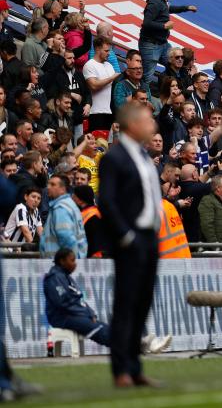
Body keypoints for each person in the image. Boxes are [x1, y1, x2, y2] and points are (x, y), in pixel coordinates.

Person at [97, 103, 165, 388]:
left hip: (150, 236)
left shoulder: (144, 156)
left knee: (143, 302)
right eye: (148, 120)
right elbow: (107, 201)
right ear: (133, 124)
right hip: (131, 237)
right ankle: (120, 369)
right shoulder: (114, 157)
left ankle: (135, 366)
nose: (153, 125)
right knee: (125, 304)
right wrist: (125, 235)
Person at [43, 248, 172, 355]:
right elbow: (63, 303)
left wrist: (90, 312)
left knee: (104, 326)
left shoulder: (65, 277)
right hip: (61, 317)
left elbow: (78, 299)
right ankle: (134, 346)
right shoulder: (54, 278)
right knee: (97, 329)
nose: (75, 264)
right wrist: (84, 314)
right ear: (62, 261)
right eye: (72, 260)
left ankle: (138, 344)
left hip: (72, 315)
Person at [139, 0, 198, 82]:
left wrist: (186, 8)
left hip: (163, 44)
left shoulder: (162, 2)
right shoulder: (155, 3)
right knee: (147, 77)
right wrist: (164, 26)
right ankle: (141, 97)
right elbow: (146, 23)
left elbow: (168, 9)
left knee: (175, 66)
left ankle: (174, 90)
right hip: (151, 46)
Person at [40, 174, 87, 258]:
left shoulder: (61, 208)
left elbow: (67, 238)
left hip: (60, 263)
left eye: (53, 184)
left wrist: (70, 261)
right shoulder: (69, 204)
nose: (48, 187)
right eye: (48, 184)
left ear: (62, 189)